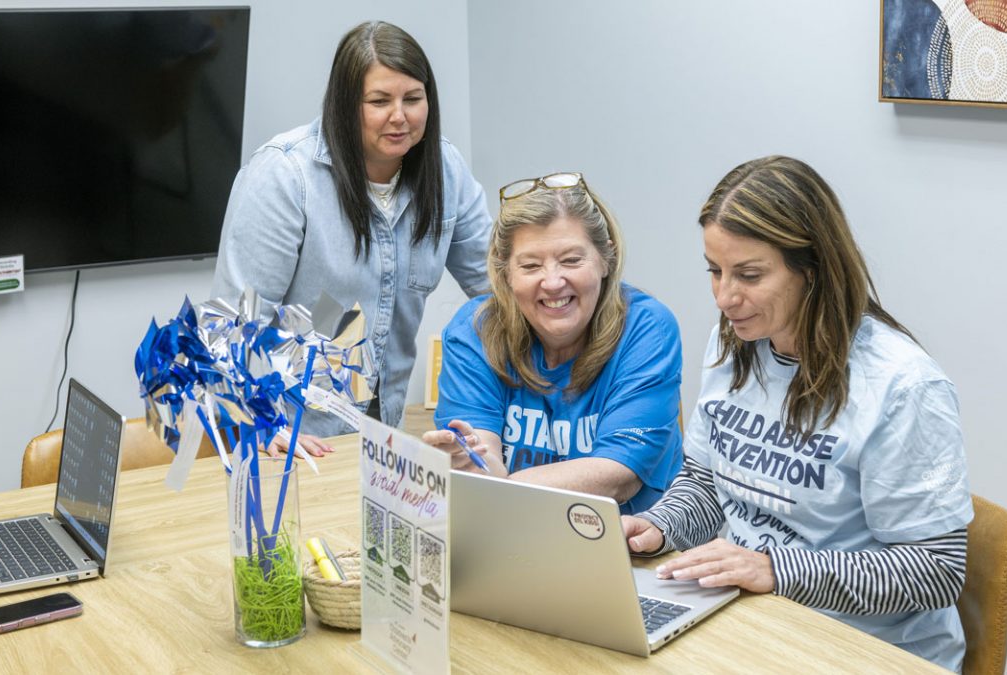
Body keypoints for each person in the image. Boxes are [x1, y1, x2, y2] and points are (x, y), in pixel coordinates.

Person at [621, 156, 973, 671]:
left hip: (865, 650)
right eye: (714, 271)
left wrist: (775, 569)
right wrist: (659, 525)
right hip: (752, 619)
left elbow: (934, 571)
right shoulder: (736, 340)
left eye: (749, 275)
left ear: (813, 270)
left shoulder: (903, 387)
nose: (724, 297)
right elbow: (706, 484)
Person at [211, 21, 491, 454]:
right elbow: (230, 327)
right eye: (379, 101)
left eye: (413, 99)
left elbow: (496, 285)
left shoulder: (445, 169)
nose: (400, 116)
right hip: (291, 438)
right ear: (345, 105)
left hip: (384, 428)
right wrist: (262, 423)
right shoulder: (285, 177)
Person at [423, 173, 683, 514]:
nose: (553, 281)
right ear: (505, 275)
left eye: (572, 260)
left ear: (607, 259)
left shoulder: (647, 329)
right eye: (530, 265)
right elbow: (481, 462)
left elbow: (619, 476)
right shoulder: (476, 329)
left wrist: (497, 488)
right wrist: (470, 467)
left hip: (634, 545)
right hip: (519, 533)